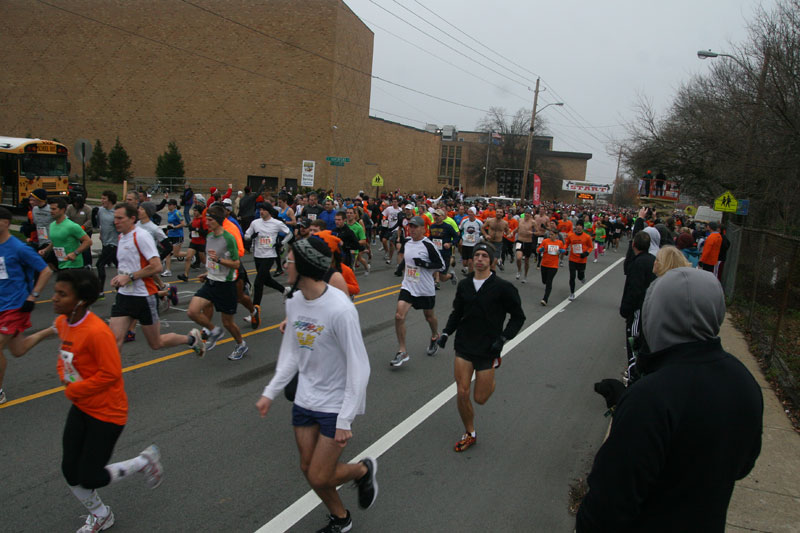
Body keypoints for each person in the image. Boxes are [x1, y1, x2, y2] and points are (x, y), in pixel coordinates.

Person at [576, 268, 763, 532]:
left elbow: (607, 506)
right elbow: (743, 465)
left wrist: (626, 407)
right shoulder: (744, 381)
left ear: (656, 313)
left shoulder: (651, 395)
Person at [18, 269, 164, 532]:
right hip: (82, 406)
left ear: (81, 301)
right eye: (56, 292)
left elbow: (110, 375)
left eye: (62, 294)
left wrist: (75, 390)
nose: (54, 298)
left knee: (90, 476)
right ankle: (101, 514)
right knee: (70, 470)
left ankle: (143, 462)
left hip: (108, 413)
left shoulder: (97, 332)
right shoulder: (64, 323)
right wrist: (66, 379)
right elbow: (65, 357)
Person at [256, 237, 376, 533]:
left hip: (334, 405)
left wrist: (346, 417)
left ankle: (362, 470)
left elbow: (360, 366)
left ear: (306, 266)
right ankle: (341, 518)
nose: (285, 264)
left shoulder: (340, 309)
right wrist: (270, 392)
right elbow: (291, 353)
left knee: (320, 475)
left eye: (290, 260)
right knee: (308, 470)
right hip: (305, 400)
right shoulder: (294, 301)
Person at [437, 242, 525, 452]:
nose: (479, 259)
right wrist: (446, 333)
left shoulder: (503, 287)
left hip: (489, 348)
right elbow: (457, 312)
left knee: (480, 398)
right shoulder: (465, 285)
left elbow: (518, 317)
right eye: (477, 255)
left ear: (492, 261)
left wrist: (503, 339)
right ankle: (470, 433)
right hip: (465, 345)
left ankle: (490, 381)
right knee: (462, 392)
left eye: (485, 256)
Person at [108, 203, 205, 355]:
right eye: (115, 218)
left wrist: (130, 277)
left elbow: (156, 267)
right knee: (114, 341)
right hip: (124, 296)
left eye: (120, 218)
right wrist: (119, 277)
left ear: (132, 218)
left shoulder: (141, 236)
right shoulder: (121, 237)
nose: (116, 221)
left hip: (144, 297)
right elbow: (127, 266)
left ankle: (191, 339)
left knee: (156, 343)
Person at [0, 207, 53, 404]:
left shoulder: (19, 248)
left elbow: (45, 271)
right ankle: (50, 331)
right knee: (18, 350)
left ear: (6, 222)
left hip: (15, 305)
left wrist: (33, 296)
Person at [186, 205, 248, 360]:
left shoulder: (229, 238)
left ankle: (241, 344)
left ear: (219, 221)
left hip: (226, 285)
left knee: (228, 323)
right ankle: (214, 331)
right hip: (211, 282)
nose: (207, 223)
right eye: (206, 219)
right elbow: (212, 260)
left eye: (210, 220)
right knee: (192, 311)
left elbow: (236, 264)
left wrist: (219, 260)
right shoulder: (209, 237)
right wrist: (208, 273)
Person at [390, 216, 444, 367]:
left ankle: (435, 336)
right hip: (408, 285)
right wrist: (399, 268)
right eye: (410, 226)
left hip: (425, 288)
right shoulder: (407, 242)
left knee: (429, 317)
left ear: (423, 229)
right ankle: (402, 351)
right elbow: (406, 259)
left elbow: (441, 265)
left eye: (415, 227)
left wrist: (425, 264)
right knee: (399, 315)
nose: (412, 229)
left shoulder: (428, 245)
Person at [244, 202, 292, 328]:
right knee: (266, 279)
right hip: (257, 255)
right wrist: (251, 236)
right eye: (260, 209)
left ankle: (254, 312)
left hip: (270, 255)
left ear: (269, 211)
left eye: (264, 210)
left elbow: (289, 233)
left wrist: (281, 242)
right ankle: (284, 290)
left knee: (258, 283)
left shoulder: (276, 223)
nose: (261, 212)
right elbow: (246, 235)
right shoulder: (255, 223)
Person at [619, 231, 656, 382]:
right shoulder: (653, 260)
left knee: (633, 342)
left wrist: (626, 309)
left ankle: (634, 374)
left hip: (638, 310)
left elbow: (634, 289)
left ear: (634, 244)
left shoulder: (638, 263)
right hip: (649, 308)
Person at [39, 197, 92, 270]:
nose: (51, 211)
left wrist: (75, 253)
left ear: (62, 210)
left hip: (73, 266)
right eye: (50, 209)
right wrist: (45, 250)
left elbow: (88, 241)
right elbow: (56, 241)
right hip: (61, 264)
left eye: (54, 209)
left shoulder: (72, 226)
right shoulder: (52, 225)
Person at [93, 191, 120, 298]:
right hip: (105, 242)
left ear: (110, 200)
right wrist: (101, 234)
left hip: (113, 244)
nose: (102, 201)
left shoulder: (116, 213)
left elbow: (120, 228)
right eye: (102, 198)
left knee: (100, 264)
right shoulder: (100, 211)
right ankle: (125, 285)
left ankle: (100, 291)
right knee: (120, 266)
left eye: (104, 198)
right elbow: (100, 225)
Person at [536, 229, 568, 306]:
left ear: (556, 235)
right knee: (544, 281)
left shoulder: (559, 242)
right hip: (544, 264)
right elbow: (538, 249)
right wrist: (541, 249)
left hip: (553, 266)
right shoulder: (545, 241)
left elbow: (564, 250)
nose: (550, 236)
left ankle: (545, 299)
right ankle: (546, 285)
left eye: (552, 234)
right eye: (550, 234)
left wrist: (562, 251)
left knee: (549, 282)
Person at [564, 223, 594, 301]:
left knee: (579, 276)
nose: (578, 229)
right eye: (577, 228)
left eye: (580, 228)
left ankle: (582, 277)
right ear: (575, 228)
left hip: (582, 259)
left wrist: (586, 253)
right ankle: (572, 293)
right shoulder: (571, 236)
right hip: (572, 259)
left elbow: (591, 247)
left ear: (582, 228)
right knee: (572, 276)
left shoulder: (587, 237)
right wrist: (565, 250)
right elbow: (566, 244)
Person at [163, 199, 185, 277]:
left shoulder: (177, 213)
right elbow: (170, 223)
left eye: (170, 205)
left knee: (176, 254)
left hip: (178, 235)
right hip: (171, 235)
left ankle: (191, 255)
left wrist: (175, 227)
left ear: (174, 205)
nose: (169, 206)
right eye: (168, 205)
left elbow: (183, 224)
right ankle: (168, 270)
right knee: (168, 253)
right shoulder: (169, 213)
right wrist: (168, 230)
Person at [458, 207, 483, 274]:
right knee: (465, 262)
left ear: (474, 213)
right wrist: (460, 239)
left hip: (474, 244)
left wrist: (481, 238)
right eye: (468, 212)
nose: (469, 213)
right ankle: (467, 268)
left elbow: (482, 230)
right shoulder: (464, 221)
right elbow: (460, 230)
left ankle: (470, 276)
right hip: (465, 243)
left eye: (471, 212)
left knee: (470, 262)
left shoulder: (479, 222)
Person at [514, 209, 536, 282]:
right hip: (519, 241)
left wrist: (532, 233)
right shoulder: (520, 220)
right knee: (518, 257)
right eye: (526, 213)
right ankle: (519, 270)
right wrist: (512, 233)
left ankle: (525, 276)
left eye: (528, 213)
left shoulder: (533, 222)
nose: (527, 215)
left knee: (526, 260)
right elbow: (517, 228)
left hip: (528, 242)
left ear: (530, 214)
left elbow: (538, 232)